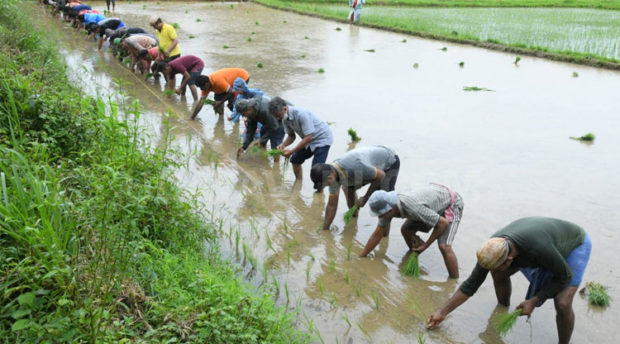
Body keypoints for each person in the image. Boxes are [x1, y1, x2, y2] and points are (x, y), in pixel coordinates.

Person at [427, 217, 592, 344]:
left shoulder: (538, 249)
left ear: (511, 258)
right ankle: (502, 307)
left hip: (574, 244)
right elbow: (471, 284)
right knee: (498, 274)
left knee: (563, 302)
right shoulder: (492, 248)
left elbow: (565, 276)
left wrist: (534, 300)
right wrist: (442, 312)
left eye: (500, 265)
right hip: (540, 241)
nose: (496, 268)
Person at [361, 184, 464, 278]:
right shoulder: (388, 208)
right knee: (406, 229)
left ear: (390, 210)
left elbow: (443, 223)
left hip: (451, 203)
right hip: (431, 205)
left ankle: (453, 281)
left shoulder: (412, 207)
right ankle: (414, 252)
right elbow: (376, 235)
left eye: (381, 214)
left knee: (444, 246)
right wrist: (361, 256)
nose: (380, 217)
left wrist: (425, 246)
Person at [310, 146, 399, 230]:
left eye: (327, 184)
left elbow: (381, 175)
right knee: (348, 188)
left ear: (330, 177)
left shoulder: (355, 166)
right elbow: (331, 205)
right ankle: (353, 218)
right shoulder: (332, 174)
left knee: (384, 203)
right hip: (366, 167)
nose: (329, 186)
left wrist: (365, 198)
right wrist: (325, 228)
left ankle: (384, 236)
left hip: (388, 162)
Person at [269, 96, 333, 180]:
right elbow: (291, 136)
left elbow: (308, 138)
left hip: (322, 139)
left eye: (278, 115)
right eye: (275, 117)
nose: (278, 118)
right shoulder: (285, 119)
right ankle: (298, 183)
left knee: (316, 170)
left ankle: (320, 189)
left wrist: (291, 151)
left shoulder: (301, 114)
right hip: (310, 140)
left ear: (284, 109)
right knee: (295, 160)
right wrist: (283, 145)